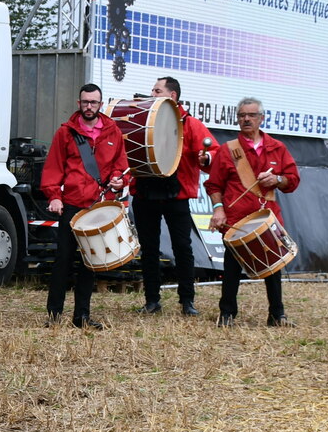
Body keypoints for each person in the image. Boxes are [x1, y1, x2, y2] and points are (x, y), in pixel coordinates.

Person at [206, 98, 300, 327]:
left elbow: (293, 181)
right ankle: (227, 314)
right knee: (231, 267)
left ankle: (277, 315)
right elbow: (214, 185)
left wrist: (277, 179)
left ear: (261, 118)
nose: (246, 119)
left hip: (267, 217)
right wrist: (218, 209)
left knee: (274, 266)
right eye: (241, 115)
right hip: (236, 219)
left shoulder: (278, 147)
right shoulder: (228, 150)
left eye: (251, 115)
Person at [40, 83, 128, 329]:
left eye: (94, 102)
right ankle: (54, 315)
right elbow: (53, 168)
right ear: (79, 104)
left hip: (99, 205)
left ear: (101, 104)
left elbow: (120, 165)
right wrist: (54, 196)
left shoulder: (113, 132)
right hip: (71, 204)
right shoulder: (65, 133)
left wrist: (119, 179)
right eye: (85, 102)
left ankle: (82, 316)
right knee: (63, 261)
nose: (89, 106)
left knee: (90, 262)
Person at [133, 76, 219, 316]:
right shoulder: (143, 120)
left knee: (183, 248)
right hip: (145, 192)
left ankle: (187, 301)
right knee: (149, 249)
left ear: (172, 96)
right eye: (152, 89)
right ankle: (152, 301)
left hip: (176, 194)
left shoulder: (189, 124)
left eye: (157, 90)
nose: (152, 93)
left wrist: (207, 158)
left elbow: (213, 153)